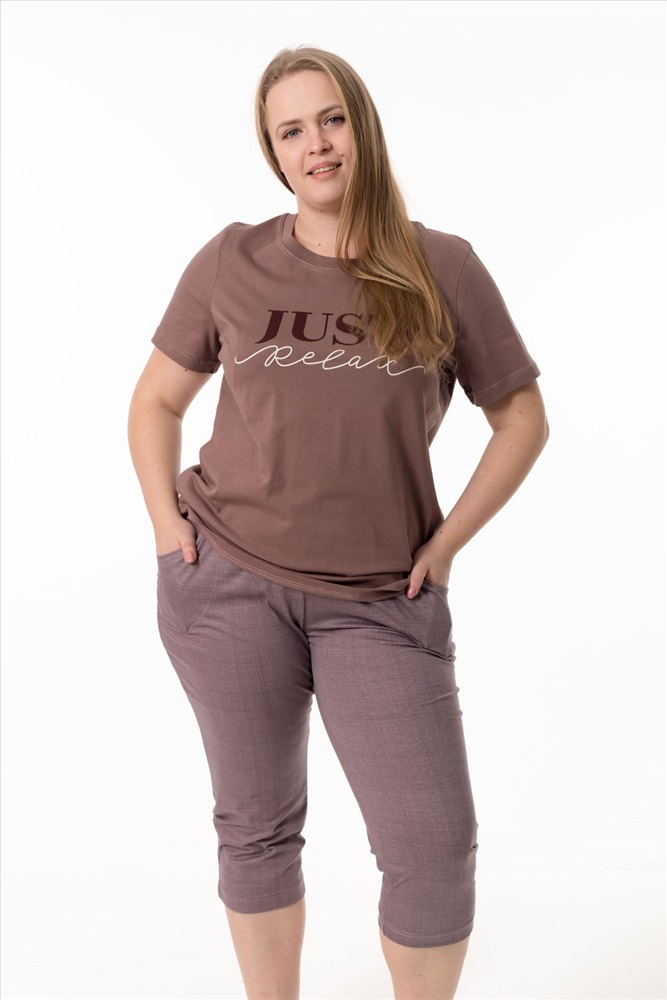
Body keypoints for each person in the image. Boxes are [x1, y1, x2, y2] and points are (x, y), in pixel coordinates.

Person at [128, 46, 548, 1000]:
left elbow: (520, 417)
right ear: (274, 154)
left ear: (362, 125)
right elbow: (154, 402)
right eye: (290, 131)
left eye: (330, 119)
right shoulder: (232, 259)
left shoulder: (442, 267)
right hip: (225, 585)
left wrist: (445, 543)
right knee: (256, 828)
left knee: (433, 847)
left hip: (379, 601)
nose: (315, 144)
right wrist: (165, 531)